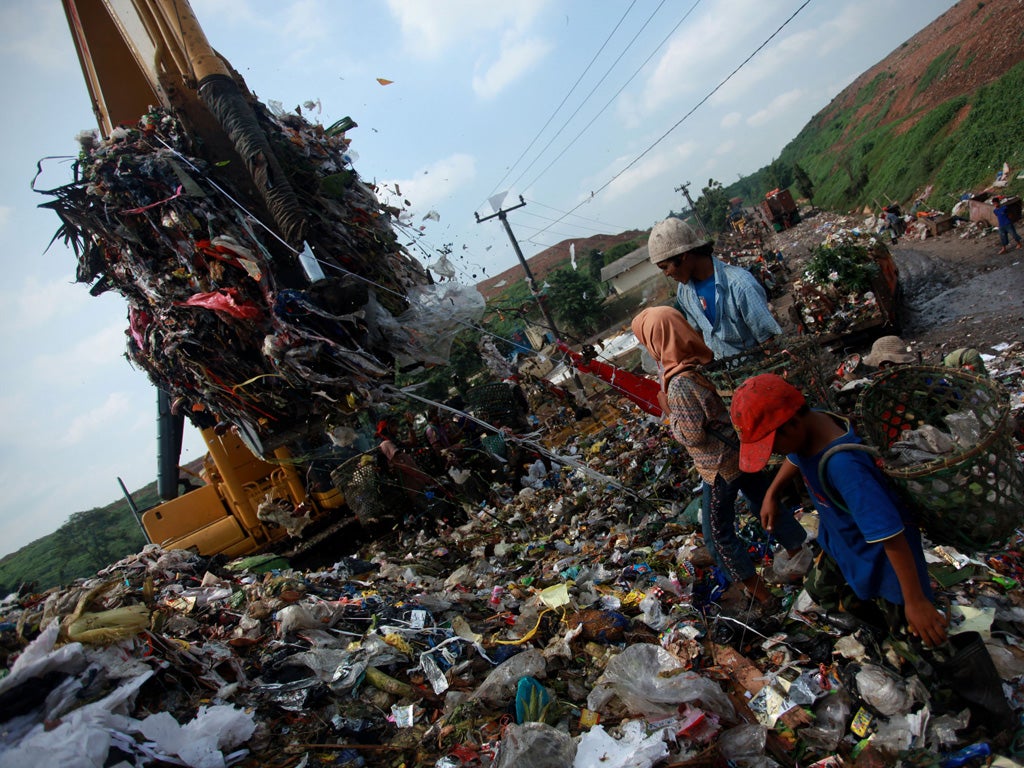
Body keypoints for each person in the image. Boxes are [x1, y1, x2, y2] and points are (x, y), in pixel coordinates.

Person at [730, 373, 948, 647]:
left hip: (885, 570)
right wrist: (773, 493)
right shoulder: (815, 424)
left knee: (918, 640)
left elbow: (891, 534)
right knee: (821, 591)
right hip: (841, 548)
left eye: (772, 445)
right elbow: (796, 457)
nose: (773, 453)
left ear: (792, 424)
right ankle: (876, 623)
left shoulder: (844, 467)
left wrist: (915, 601)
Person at [631, 307, 807, 614]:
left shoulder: (678, 383)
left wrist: (668, 414)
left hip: (718, 468)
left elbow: (692, 435)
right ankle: (802, 557)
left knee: (718, 536)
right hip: (741, 452)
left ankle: (764, 598)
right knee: (765, 501)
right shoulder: (701, 360)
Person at [648, 217, 782, 360]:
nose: (667, 274)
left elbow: (769, 344)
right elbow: (699, 336)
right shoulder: (684, 292)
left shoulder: (740, 286)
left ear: (683, 256)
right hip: (726, 377)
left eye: (665, 267)